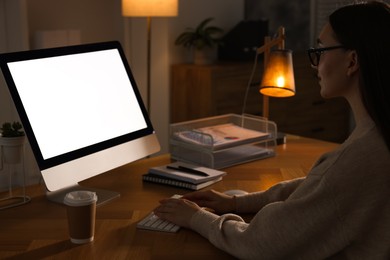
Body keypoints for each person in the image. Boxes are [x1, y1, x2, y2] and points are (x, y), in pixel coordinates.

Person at [154, 1, 390, 259]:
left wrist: (197, 217)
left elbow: (259, 243)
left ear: (352, 61)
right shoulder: (376, 136)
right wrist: (237, 203)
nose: (315, 63)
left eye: (321, 50)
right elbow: (320, 189)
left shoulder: (360, 157)